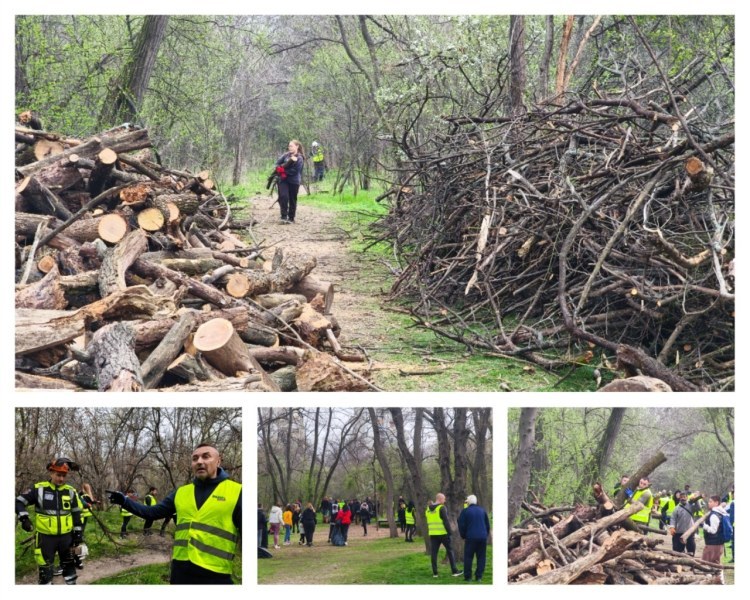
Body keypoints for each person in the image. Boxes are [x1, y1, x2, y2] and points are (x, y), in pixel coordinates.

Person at [108, 442, 242, 585]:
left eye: (206, 457)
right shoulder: (181, 493)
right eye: (195, 458)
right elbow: (152, 513)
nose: (199, 462)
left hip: (216, 575)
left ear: (218, 461)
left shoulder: (237, 492)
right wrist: (125, 501)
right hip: (180, 572)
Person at [15, 457, 84, 585]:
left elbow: (76, 512)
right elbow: (18, 501)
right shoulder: (38, 489)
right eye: (58, 475)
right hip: (45, 539)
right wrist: (24, 518)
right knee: (45, 571)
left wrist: (78, 532)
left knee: (69, 568)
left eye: (64, 475)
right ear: (51, 472)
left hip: (66, 538)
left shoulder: (70, 491)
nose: (61, 479)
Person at [425, 492, 462, 578]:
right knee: (450, 551)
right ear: (440, 499)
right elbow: (446, 522)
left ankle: (435, 573)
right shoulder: (442, 508)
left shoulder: (427, 509)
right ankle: (454, 571)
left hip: (433, 534)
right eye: (444, 499)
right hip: (443, 534)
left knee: (434, 553)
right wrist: (450, 532)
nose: (445, 501)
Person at [458, 494, 491, 583]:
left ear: (468, 502)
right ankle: (479, 576)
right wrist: (485, 534)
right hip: (482, 537)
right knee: (481, 557)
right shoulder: (482, 511)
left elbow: (461, 525)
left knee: (468, 557)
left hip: (470, 537)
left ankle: (468, 577)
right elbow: (487, 525)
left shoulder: (465, 511)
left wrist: (463, 535)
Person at [274, 139, 304, 224]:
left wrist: (283, 171)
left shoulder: (299, 158)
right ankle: (283, 216)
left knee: (292, 199)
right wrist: (278, 169)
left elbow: (295, 171)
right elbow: (277, 164)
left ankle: (291, 218)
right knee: (283, 197)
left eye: (291, 146)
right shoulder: (285, 155)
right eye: (289, 146)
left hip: (294, 181)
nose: (289, 147)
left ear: (297, 146)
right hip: (283, 180)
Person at [701, 495, 730, 564]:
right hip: (719, 544)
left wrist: (704, 525)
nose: (708, 503)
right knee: (716, 564)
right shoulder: (722, 512)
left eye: (711, 502)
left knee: (706, 564)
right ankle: (719, 574)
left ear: (716, 503)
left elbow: (713, 531)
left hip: (713, 544)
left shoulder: (714, 515)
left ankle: (711, 574)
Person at [669, 491, 697, 556]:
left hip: (689, 531)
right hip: (679, 532)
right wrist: (672, 527)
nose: (683, 498)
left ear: (687, 497)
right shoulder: (677, 508)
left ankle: (691, 562)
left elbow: (698, 508)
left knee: (691, 549)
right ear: (679, 498)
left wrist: (696, 500)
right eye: (681, 497)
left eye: (684, 497)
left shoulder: (691, 506)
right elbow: (673, 518)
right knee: (677, 551)